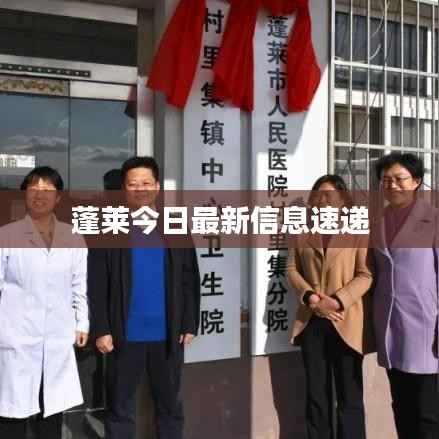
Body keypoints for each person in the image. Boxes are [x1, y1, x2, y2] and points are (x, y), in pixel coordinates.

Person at [88, 156, 200, 439]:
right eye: (133, 184)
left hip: (168, 336)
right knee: (120, 408)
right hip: (123, 336)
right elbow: (97, 282)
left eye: (146, 183)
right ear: (124, 189)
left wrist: (189, 322)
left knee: (170, 407)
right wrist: (101, 328)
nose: (140, 189)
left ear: (157, 187)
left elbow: (189, 276)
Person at [0, 166, 89, 439]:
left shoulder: (72, 237)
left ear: (58, 197)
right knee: (12, 414)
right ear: (24, 194)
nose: (40, 195)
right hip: (17, 337)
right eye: (34, 189)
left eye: (47, 190)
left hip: (56, 338)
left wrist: (82, 323)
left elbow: (79, 285)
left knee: (51, 412)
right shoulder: (7, 235)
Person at [287, 174, 373, 439]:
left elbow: (365, 274)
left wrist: (337, 300)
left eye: (329, 195)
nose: (323, 200)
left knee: (349, 395)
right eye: (318, 195)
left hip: (345, 319)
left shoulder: (358, 230)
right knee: (316, 393)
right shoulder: (302, 230)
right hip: (312, 321)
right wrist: (311, 298)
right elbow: (291, 269)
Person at [372, 152, 439, 439]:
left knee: (428, 412)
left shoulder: (433, 219)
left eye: (400, 179)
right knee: (401, 406)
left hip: (426, 327)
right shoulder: (378, 221)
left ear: (416, 182)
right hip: (391, 327)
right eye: (386, 180)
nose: (392, 185)